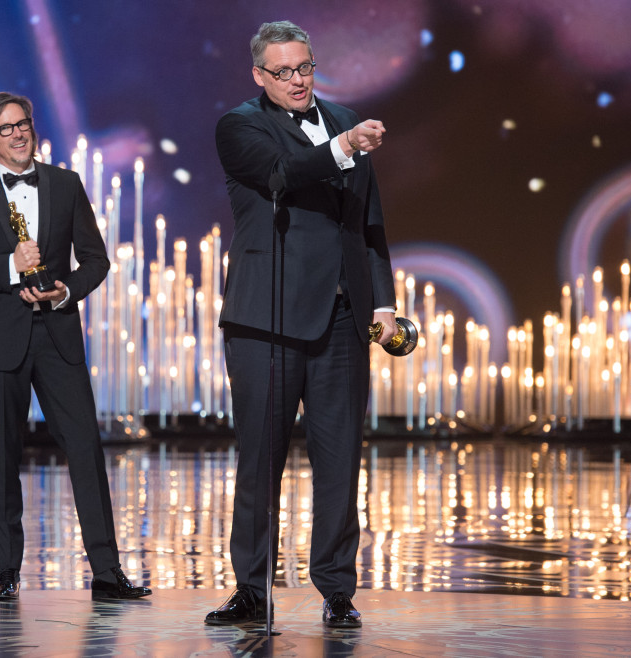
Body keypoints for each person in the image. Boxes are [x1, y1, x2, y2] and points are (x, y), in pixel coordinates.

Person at [205, 21, 397, 628]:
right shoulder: (240, 126)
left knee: (340, 460)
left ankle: (338, 589)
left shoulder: (345, 119)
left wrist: (382, 302)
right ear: (260, 76)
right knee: (260, 458)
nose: (297, 80)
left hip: (341, 319)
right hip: (266, 319)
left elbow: (368, 223)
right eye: (283, 71)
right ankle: (252, 588)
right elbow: (284, 172)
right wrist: (344, 149)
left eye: (304, 67)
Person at [0, 92, 151, 602]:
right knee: (4, 453)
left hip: (56, 334)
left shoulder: (65, 184)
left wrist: (65, 291)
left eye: (24, 124)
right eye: (6, 128)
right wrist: (10, 265)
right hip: (0, 341)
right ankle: (8, 573)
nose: (18, 133)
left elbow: (96, 260)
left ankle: (106, 573)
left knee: (86, 451)